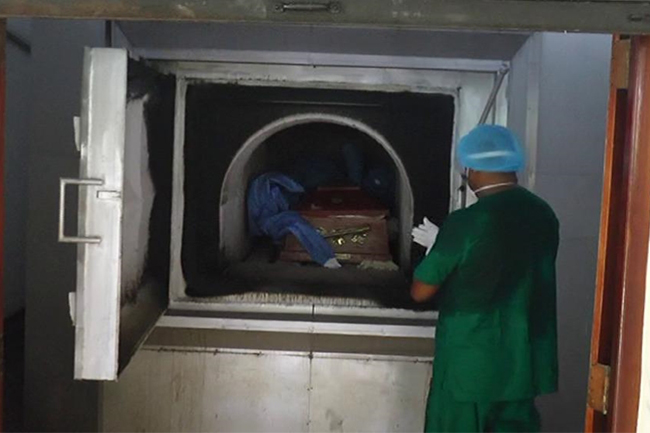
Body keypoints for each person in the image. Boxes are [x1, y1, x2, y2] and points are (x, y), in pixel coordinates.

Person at [411, 125, 559, 433]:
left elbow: (421, 291)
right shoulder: (543, 214)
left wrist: (439, 248)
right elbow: (508, 266)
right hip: (522, 363)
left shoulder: (468, 221)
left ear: (472, 168)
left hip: (471, 366)